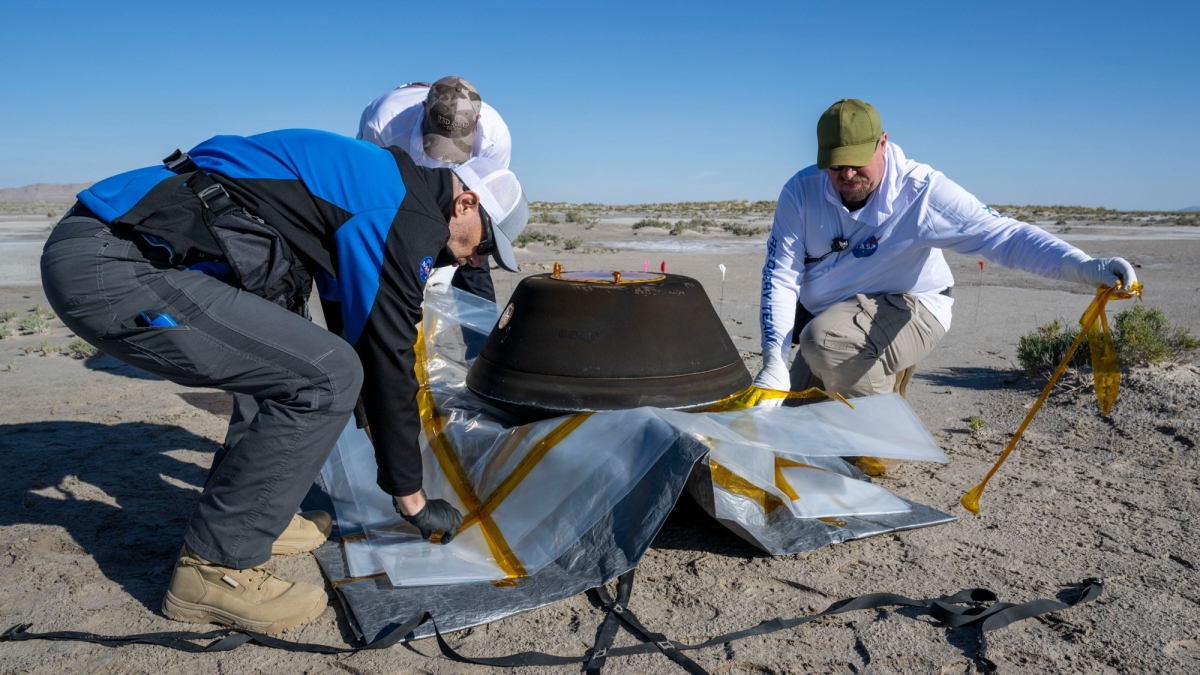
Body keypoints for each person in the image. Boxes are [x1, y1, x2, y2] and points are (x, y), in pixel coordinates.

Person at [40, 129, 528, 633]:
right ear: (464, 202)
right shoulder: (405, 215)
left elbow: (354, 324)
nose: (476, 261)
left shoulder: (385, 184)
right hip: (116, 264)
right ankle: (215, 568)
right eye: (485, 244)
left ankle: (252, 514)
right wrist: (410, 497)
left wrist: (370, 423)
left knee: (294, 356)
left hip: (117, 246)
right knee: (327, 375)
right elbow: (385, 354)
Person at [755, 99, 1136, 398]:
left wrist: (1083, 266)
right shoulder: (800, 192)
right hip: (836, 313)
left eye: (856, 162)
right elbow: (782, 275)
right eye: (836, 165)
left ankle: (885, 444)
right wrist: (774, 358)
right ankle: (870, 380)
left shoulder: (923, 193)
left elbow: (1005, 236)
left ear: (882, 143)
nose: (846, 175)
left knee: (824, 343)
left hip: (912, 304)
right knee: (795, 411)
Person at [358, 76, 512, 309]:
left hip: (458, 200)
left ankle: (481, 344)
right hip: (397, 187)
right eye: (438, 138)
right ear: (424, 108)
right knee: (389, 269)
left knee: (474, 262)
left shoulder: (495, 137)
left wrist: (467, 249)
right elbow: (375, 194)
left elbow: (487, 205)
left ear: (477, 121)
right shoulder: (383, 123)